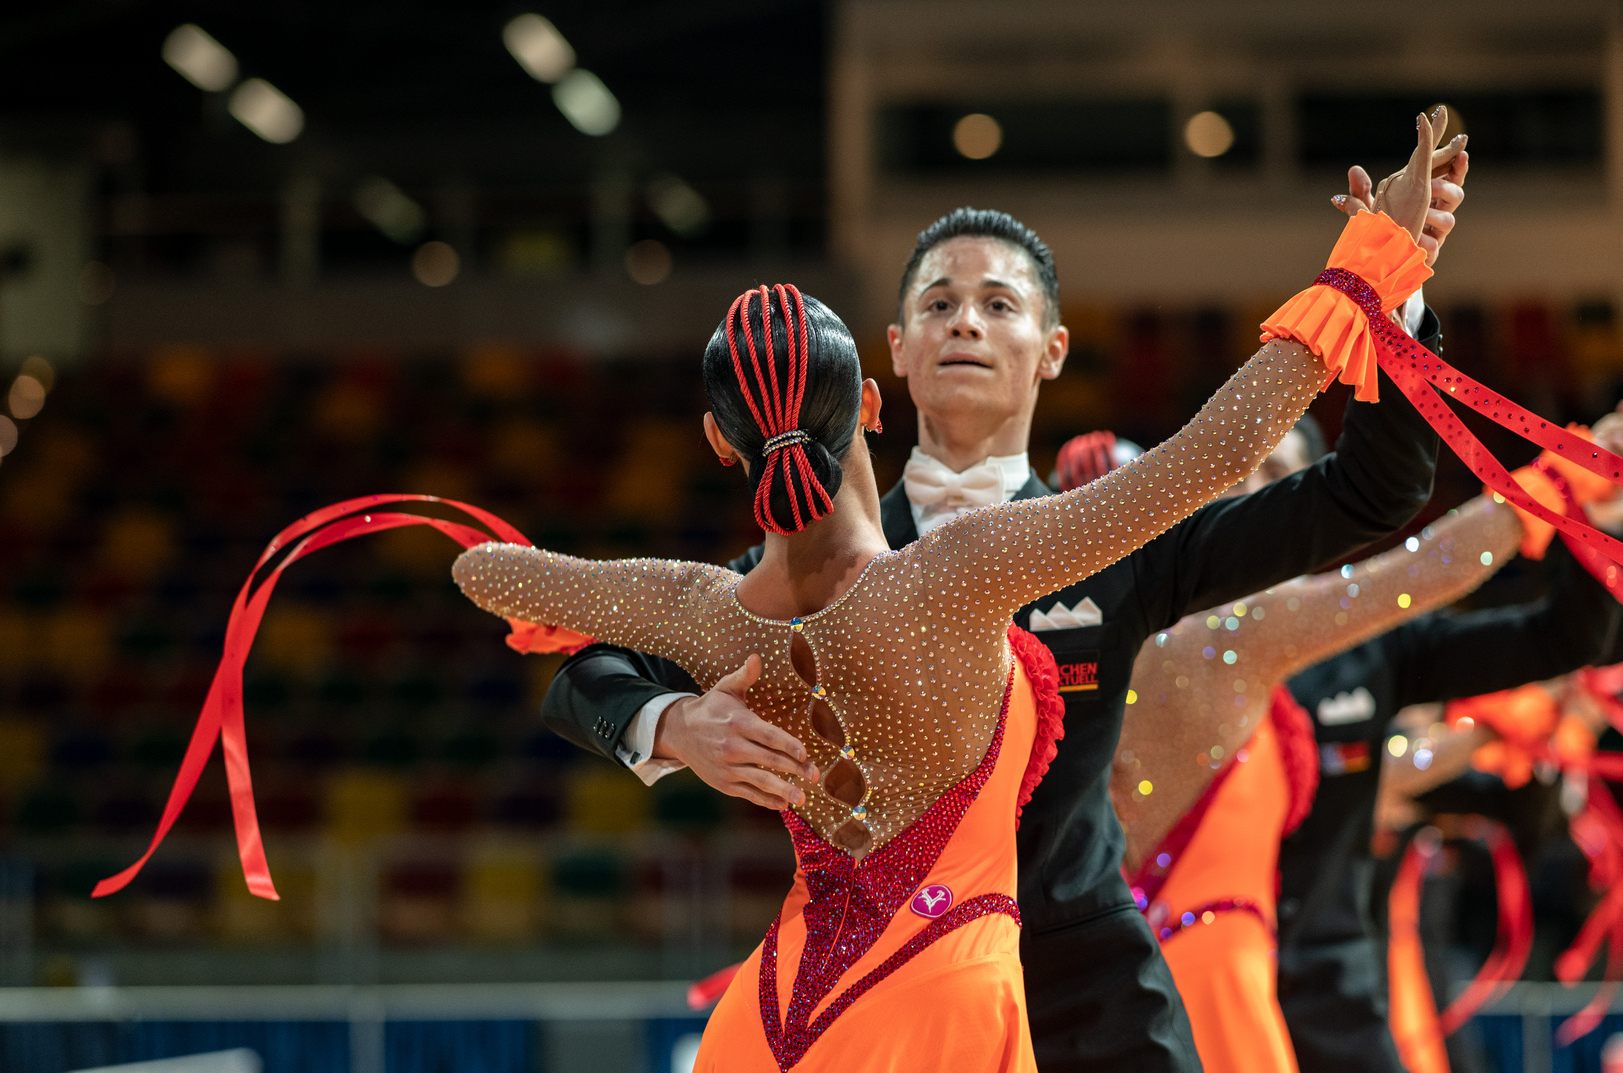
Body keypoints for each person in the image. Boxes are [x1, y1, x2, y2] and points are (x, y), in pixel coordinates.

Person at [537, 112, 1467, 1071]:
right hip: (886, 1005)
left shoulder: (1112, 531)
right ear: (889, 355)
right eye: (938, 305)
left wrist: (1390, 302)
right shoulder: (799, 571)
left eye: (997, 303)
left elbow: (1372, 492)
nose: (966, 321)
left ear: (1052, 348)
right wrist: (675, 724)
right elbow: (585, 671)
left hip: (1092, 1000)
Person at [1103, 410, 1623, 1073]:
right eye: (1235, 473)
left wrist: (1594, 526)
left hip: (1328, 991)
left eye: (1275, 473)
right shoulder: (1150, 646)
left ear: (1313, 499)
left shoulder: (1371, 643)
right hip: (1174, 985)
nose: (1252, 493)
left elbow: (1561, 640)